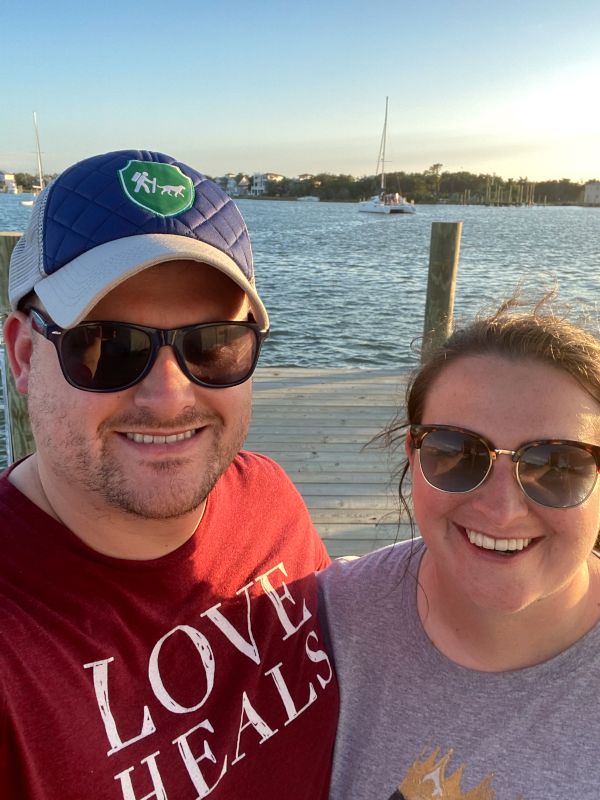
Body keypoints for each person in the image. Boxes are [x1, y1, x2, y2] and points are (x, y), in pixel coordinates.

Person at [0, 149, 338, 799]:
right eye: (107, 347)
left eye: (212, 345)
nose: (168, 397)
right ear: (23, 355)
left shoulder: (268, 497)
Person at [319, 297, 600, 800]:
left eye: (558, 465)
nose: (502, 510)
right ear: (414, 454)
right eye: (458, 453)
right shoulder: (328, 620)